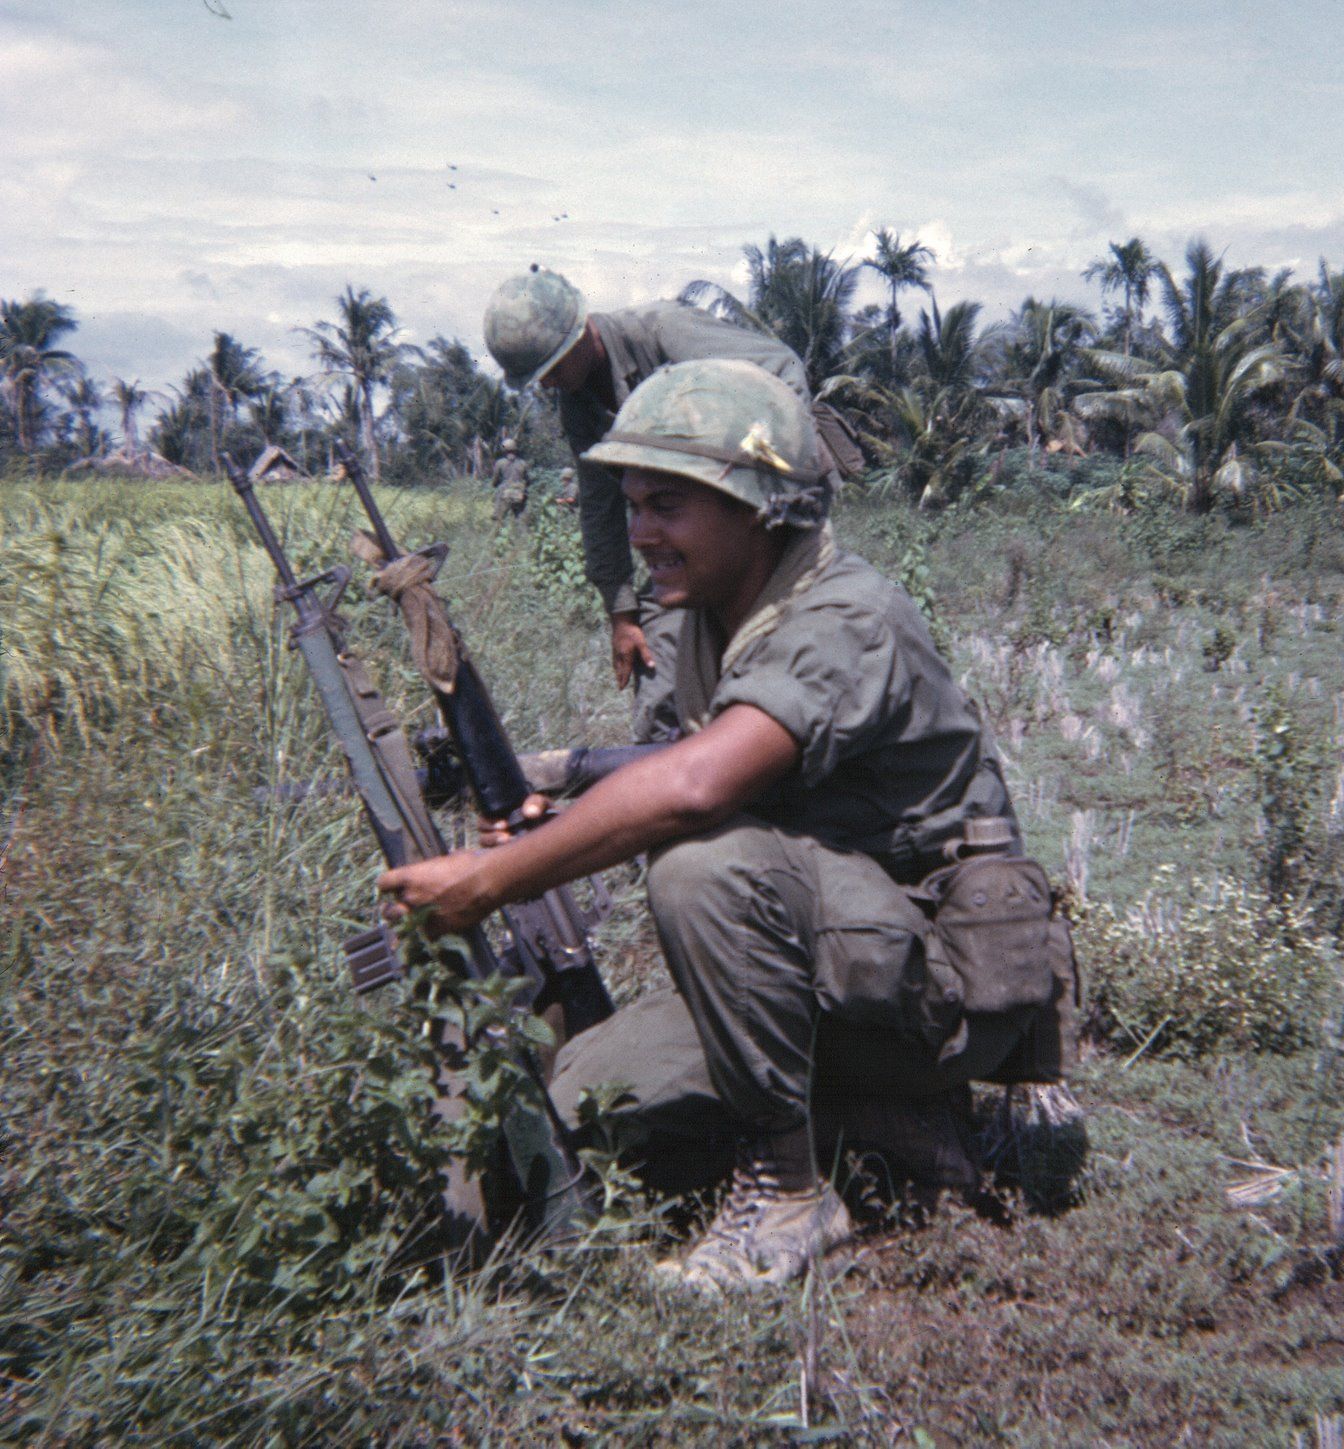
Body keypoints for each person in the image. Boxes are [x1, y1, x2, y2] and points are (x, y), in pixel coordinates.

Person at [378, 359, 1069, 1292]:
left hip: (936, 984)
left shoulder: (841, 618)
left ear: (760, 508)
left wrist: (493, 881)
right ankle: (884, 1124)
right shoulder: (714, 606)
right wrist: (562, 807)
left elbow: (698, 786)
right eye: (631, 505)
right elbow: (696, 762)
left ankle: (791, 1190)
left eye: (669, 504)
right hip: (841, 963)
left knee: (700, 862)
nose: (641, 532)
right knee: (582, 1102)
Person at [483, 263, 816, 743]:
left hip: (769, 517)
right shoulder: (579, 402)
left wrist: (752, 485)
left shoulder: (666, 332)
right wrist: (621, 613)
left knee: (785, 658)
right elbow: (599, 503)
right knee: (660, 668)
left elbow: (782, 371)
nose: (548, 385)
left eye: (551, 368)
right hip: (685, 545)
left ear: (582, 334)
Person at [489, 435, 529, 524]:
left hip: (504, 493)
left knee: (499, 519)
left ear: (504, 450)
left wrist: (495, 484)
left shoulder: (500, 463)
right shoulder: (523, 463)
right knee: (521, 519)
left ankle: (496, 529)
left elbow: (494, 481)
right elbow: (528, 480)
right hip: (519, 493)